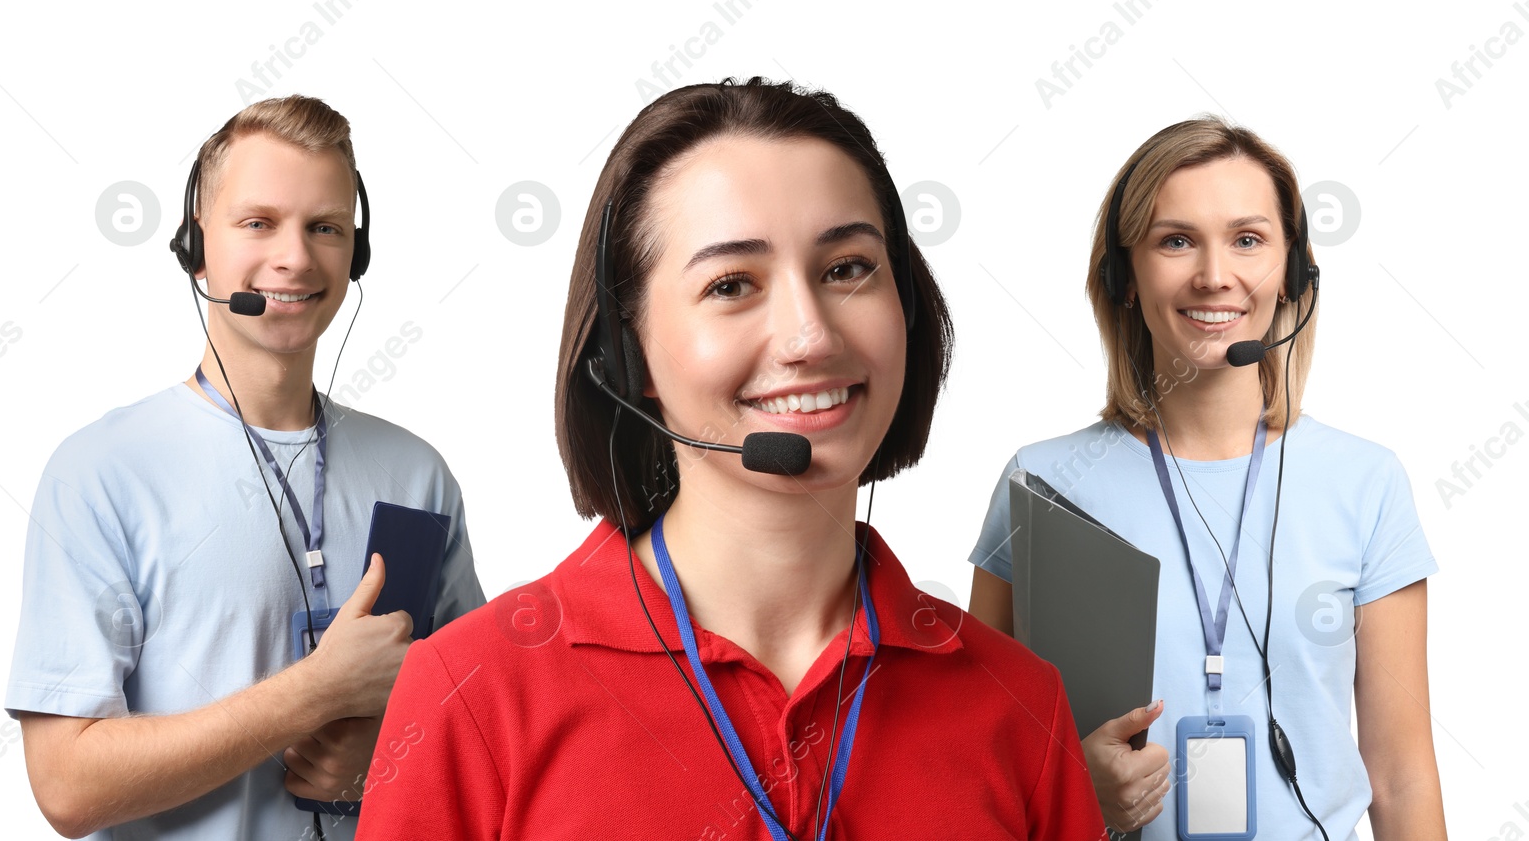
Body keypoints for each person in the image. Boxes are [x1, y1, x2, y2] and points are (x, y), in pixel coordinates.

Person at [355, 78, 1106, 839]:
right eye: (732, 284)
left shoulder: (1019, 702)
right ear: (627, 356)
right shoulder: (472, 689)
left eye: (847, 267)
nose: (810, 335)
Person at [5, 95, 485, 840]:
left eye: (325, 227)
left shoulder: (417, 473)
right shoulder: (102, 472)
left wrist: (388, 747)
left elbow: (481, 722)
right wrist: (314, 694)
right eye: (258, 223)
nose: (294, 257)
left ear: (355, 253)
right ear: (198, 248)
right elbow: (68, 785)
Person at [967, 118, 1446, 838]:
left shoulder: (1366, 483)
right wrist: (1070, 787)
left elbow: (1403, 776)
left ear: (1294, 272)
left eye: (1247, 239)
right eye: (1176, 239)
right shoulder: (1042, 483)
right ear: (1123, 277)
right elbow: (973, 757)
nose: (1214, 274)